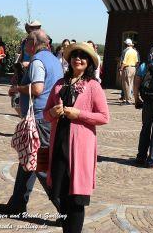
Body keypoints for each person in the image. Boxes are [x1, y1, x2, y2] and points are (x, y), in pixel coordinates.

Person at [44, 42, 109, 233]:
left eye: (82, 56)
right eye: (74, 55)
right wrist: (54, 113)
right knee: (59, 196)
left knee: (76, 200)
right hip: (59, 145)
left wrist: (79, 114)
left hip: (80, 149)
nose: (78, 59)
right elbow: (45, 114)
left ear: (88, 62)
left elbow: (104, 117)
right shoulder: (59, 84)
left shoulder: (93, 86)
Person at [0, 30, 63, 215]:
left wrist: (16, 89)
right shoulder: (53, 59)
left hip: (39, 118)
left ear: (34, 42)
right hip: (48, 117)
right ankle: (17, 205)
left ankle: (65, 209)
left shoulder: (37, 61)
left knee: (41, 166)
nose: (25, 43)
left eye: (26, 40)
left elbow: (37, 88)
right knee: (27, 160)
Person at [119, 38, 139, 104]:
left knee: (126, 84)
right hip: (134, 68)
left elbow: (123, 62)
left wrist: (121, 69)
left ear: (126, 44)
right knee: (131, 84)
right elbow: (137, 61)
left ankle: (128, 99)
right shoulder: (135, 51)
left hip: (127, 68)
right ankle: (126, 98)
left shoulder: (125, 51)